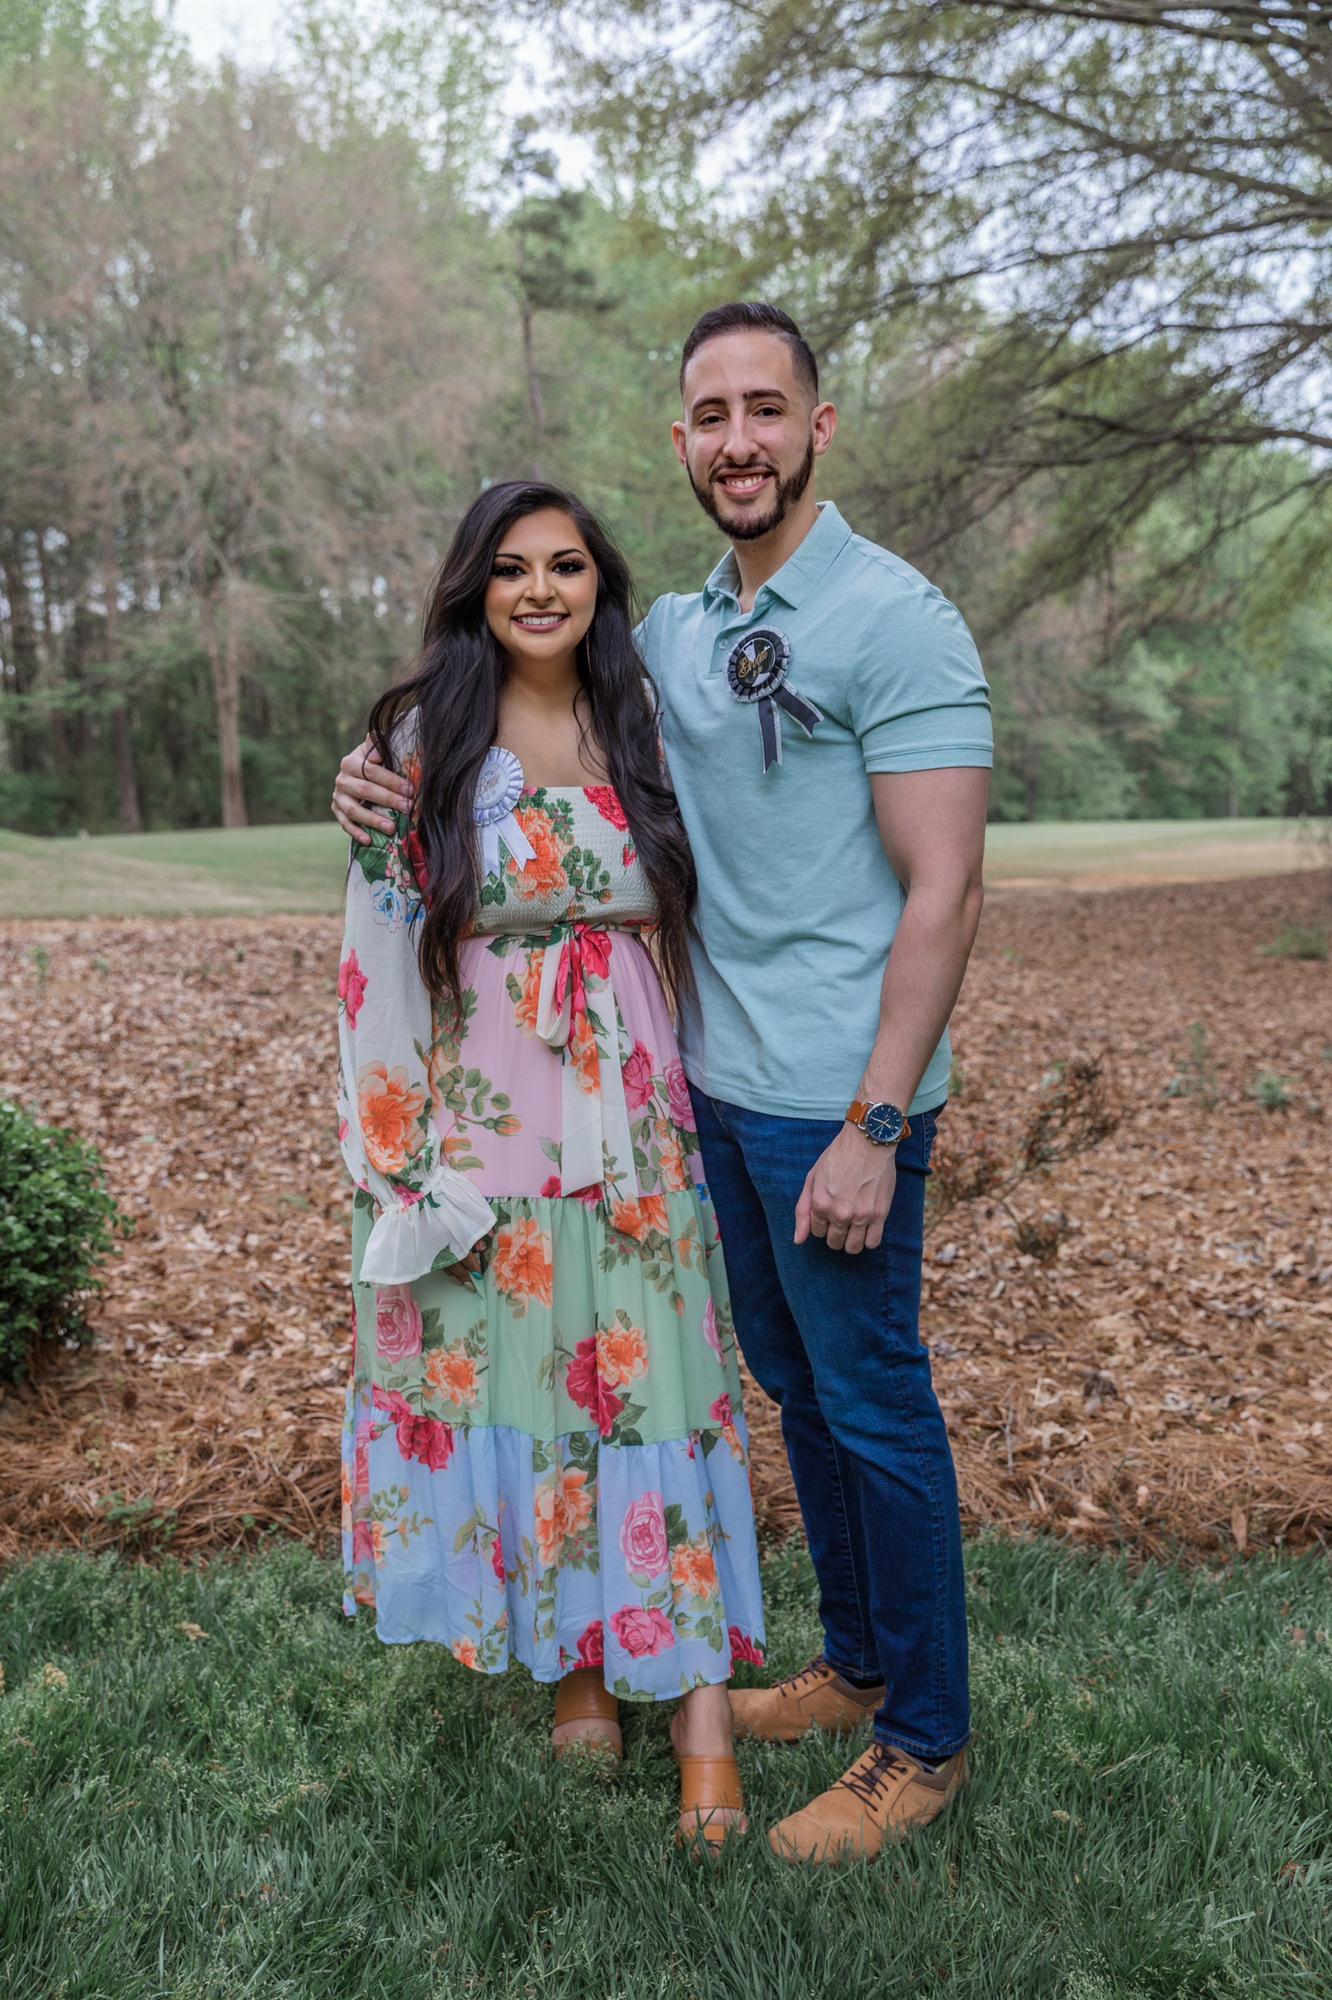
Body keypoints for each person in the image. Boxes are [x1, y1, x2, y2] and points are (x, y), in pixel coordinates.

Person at [333, 302, 992, 1865]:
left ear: (819, 424)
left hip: (839, 1095)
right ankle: (855, 1666)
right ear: (685, 442)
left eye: (767, 409)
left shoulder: (898, 619)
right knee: (798, 1393)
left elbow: (948, 888)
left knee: (872, 1400)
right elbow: (491, 746)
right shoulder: (680, 638)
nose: (739, 440)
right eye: (711, 415)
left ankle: (922, 1741)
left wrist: (876, 1122)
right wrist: (369, 776)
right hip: (708, 1088)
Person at [335, 479, 765, 1850]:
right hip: (485, 1116)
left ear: (599, 585)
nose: (539, 590)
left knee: (657, 1380)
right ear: (476, 589)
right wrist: (399, 1161)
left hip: (633, 1116)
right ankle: (579, 1660)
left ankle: (701, 1715)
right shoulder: (419, 740)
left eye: (566, 565)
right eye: (512, 568)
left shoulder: (649, 715)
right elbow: (375, 954)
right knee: (538, 1379)